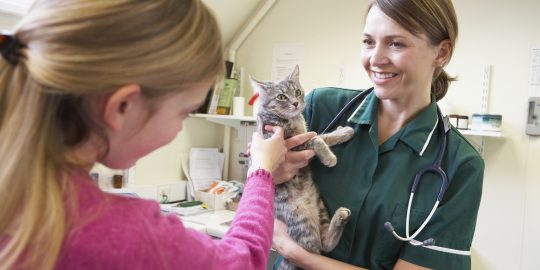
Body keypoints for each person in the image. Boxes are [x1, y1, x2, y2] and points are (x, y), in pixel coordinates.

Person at [0, 0, 288, 269]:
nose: (179, 128)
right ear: (122, 107)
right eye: (184, 113)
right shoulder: (123, 235)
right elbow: (242, 261)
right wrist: (261, 172)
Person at [270, 0, 484, 269]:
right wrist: (267, 174)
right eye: (369, 42)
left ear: (441, 52)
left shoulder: (460, 165)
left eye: (396, 44)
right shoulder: (320, 110)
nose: (376, 59)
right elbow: (260, 194)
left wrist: (298, 255)